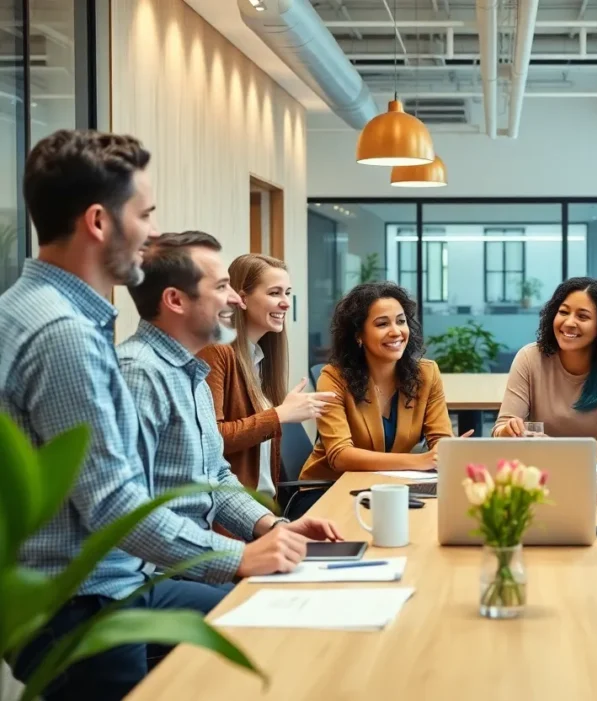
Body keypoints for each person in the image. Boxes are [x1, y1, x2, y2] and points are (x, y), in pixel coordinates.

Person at [0, 130, 246, 701]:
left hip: (90, 590)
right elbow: (114, 507)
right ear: (98, 222)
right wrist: (238, 556)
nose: (152, 234)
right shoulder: (63, 333)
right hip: (83, 605)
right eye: (145, 214)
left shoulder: (28, 308)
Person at [117, 231, 341, 556]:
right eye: (222, 287)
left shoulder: (190, 372)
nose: (235, 299)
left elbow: (217, 476)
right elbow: (132, 512)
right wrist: (239, 560)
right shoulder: (139, 373)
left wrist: (277, 527)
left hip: (213, 546)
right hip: (169, 567)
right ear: (176, 300)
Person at [298, 283, 458, 511]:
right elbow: (340, 456)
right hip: (329, 489)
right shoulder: (334, 378)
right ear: (358, 335)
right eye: (382, 324)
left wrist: (445, 451)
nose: (396, 331)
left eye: (401, 321)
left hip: (387, 487)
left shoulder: (426, 374)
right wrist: (420, 461)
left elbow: (440, 438)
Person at [198, 253, 338, 498]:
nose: (286, 303)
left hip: (264, 503)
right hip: (233, 506)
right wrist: (280, 414)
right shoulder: (215, 351)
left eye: (287, 293)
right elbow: (213, 438)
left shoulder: (259, 357)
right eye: (275, 293)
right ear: (242, 299)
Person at [492, 277, 597, 463]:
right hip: (539, 470)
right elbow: (500, 430)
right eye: (563, 312)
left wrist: (560, 450)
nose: (569, 322)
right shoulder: (529, 358)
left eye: (582, 316)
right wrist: (507, 432)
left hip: (595, 473)